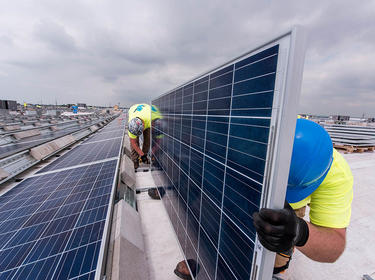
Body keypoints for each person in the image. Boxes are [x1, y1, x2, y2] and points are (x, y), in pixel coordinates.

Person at [253, 119, 353, 277]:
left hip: (291, 210)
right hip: (253, 185)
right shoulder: (257, 132)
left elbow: (335, 245)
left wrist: (299, 232)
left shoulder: (337, 176)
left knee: (276, 257)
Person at [128, 103, 160, 169]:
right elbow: (133, 143)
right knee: (134, 143)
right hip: (134, 109)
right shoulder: (131, 125)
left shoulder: (151, 119)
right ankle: (135, 161)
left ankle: (144, 157)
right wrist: (140, 153)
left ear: (143, 125)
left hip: (147, 115)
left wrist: (155, 148)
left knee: (148, 139)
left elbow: (158, 136)